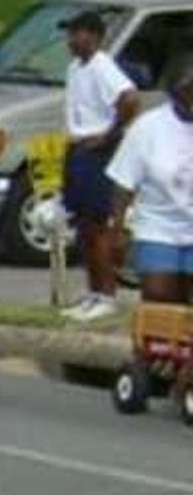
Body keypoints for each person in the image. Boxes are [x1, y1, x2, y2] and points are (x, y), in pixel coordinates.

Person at [58, 10, 140, 323]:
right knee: (84, 227)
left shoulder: (103, 66)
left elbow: (130, 99)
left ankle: (107, 293)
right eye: (70, 34)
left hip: (99, 151)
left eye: (77, 33)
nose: (71, 40)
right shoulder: (75, 68)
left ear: (94, 36)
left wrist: (110, 133)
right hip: (78, 146)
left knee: (99, 227)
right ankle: (93, 291)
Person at [107, 61, 193, 334]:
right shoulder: (147, 128)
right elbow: (123, 182)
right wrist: (118, 229)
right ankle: (159, 357)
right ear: (175, 93)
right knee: (160, 294)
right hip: (158, 227)